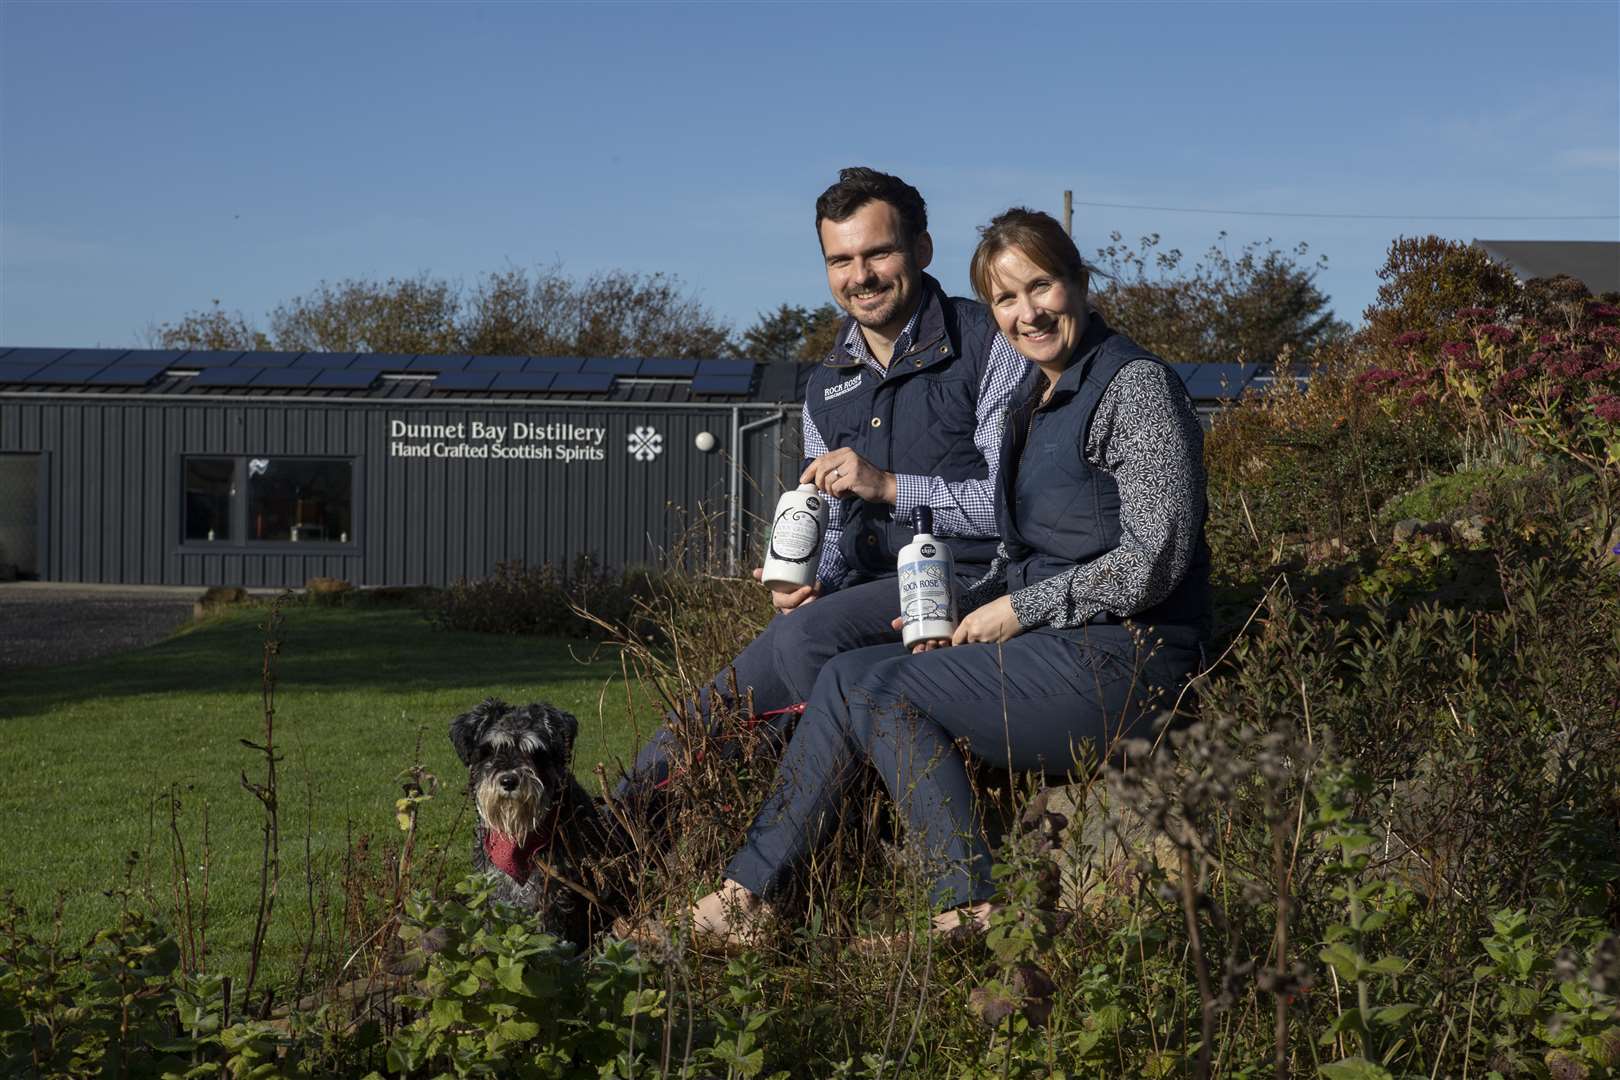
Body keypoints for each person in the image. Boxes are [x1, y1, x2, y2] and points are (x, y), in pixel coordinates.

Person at [672, 208, 1212, 946]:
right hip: (1055, 646)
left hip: (1129, 656)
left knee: (876, 685)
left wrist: (1016, 611)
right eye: (1006, 300)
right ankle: (747, 896)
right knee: (853, 675)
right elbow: (1023, 553)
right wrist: (958, 616)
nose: (1028, 313)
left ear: (1080, 282)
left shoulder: (1135, 387)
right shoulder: (1037, 400)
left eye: (1042, 286)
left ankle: (962, 903)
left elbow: (1156, 559)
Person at [613, 169, 1029, 806]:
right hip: (863, 594)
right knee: (709, 712)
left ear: (922, 250)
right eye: (840, 260)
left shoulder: (991, 345)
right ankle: (605, 842)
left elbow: (1013, 505)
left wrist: (891, 486)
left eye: (878, 253)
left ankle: (867, 809)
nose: (859, 276)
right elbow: (833, 524)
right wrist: (811, 579)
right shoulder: (824, 384)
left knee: (807, 639)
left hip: (967, 578)